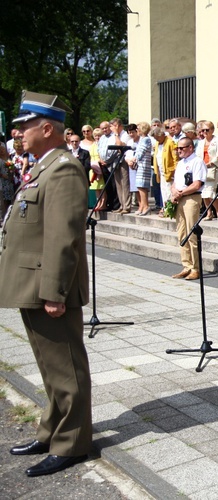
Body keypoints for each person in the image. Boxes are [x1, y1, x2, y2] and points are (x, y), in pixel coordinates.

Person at [0, 91, 91, 477]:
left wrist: (54, 292)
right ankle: (52, 430)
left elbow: (63, 237)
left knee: (66, 369)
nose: (18, 134)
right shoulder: (43, 166)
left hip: (48, 287)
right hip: (32, 283)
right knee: (49, 367)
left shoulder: (64, 169)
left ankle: (73, 443)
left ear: (46, 127)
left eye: (24, 127)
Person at [171, 138, 207, 280]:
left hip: (191, 198)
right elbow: (175, 182)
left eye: (182, 148)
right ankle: (186, 265)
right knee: (181, 232)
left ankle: (196, 268)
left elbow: (197, 184)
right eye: (177, 148)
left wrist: (181, 193)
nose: (179, 151)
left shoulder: (197, 161)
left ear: (190, 147)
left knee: (192, 233)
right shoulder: (180, 163)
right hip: (179, 198)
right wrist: (174, 192)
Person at [151, 126, 178, 218]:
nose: (156, 139)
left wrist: (175, 171)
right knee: (164, 192)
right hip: (161, 172)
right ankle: (166, 209)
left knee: (170, 192)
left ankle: (170, 210)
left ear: (162, 135)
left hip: (170, 172)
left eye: (157, 137)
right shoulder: (158, 143)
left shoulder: (170, 142)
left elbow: (175, 158)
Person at [197, 121, 218, 220]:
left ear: (212, 130)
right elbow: (198, 155)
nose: (205, 132)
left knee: (211, 192)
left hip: (213, 168)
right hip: (203, 168)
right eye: (203, 130)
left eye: (207, 130)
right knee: (204, 192)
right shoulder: (200, 142)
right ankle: (209, 213)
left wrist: (211, 163)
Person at [132, 122, 153, 215]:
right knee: (139, 186)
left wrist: (134, 159)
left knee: (142, 186)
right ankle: (142, 206)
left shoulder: (146, 140)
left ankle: (146, 206)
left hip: (144, 165)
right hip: (140, 165)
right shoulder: (142, 139)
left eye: (138, 129)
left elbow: (141, 153)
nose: (137, 130)